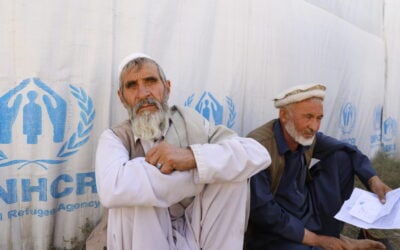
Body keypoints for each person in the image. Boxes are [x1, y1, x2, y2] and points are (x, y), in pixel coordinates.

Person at [89, 52, 271, 250]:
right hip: (142, 237)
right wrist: (201, 174)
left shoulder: (192, 123)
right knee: (129, 194)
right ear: (122, 98)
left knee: (234, 175)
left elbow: (257, 154)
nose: (143, 94)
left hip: (197, 230)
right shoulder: (115, 137)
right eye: (132, 85)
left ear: (167, 88)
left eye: (150, 81)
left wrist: (191, 156)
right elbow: (111, 189)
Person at [245, 84, 391, 250]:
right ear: (284, 115)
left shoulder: (305, 135)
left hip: (305, 210)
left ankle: (331, 237)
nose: (314, 126)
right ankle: (328, 241)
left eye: (318, 118)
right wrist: (315, 239)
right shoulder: (259, 148)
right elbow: (264, 212)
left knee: (341, 157)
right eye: (307, 117)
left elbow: (349, 150)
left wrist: (373, 180)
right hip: (274, 229)